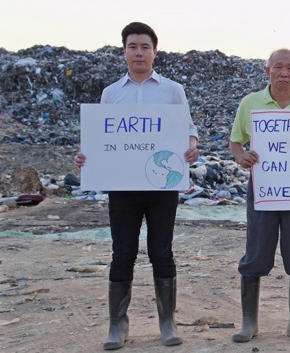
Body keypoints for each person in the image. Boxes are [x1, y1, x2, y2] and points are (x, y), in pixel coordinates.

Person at [74, 22, 200, 350]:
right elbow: (101, 138)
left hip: (162, 186)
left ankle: (167, 322)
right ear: (124, 51)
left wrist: (191, 146)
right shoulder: (111, 93)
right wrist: (87, 158)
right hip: (123, 187)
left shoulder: (172, 90)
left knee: (162, 251)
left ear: (155, 51)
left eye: (145, 46)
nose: (139, 52)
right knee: (123, 252)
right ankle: (118, 325)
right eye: (133, 46)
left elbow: (187, 127)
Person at [228, 48, 290, 344]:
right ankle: (249, 322)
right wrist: (242, 156)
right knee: (256, 252)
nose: (284, 73)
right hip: (264, 191)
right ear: (267, 70)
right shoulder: (250, 103)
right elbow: (235, 142)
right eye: (278, 67)